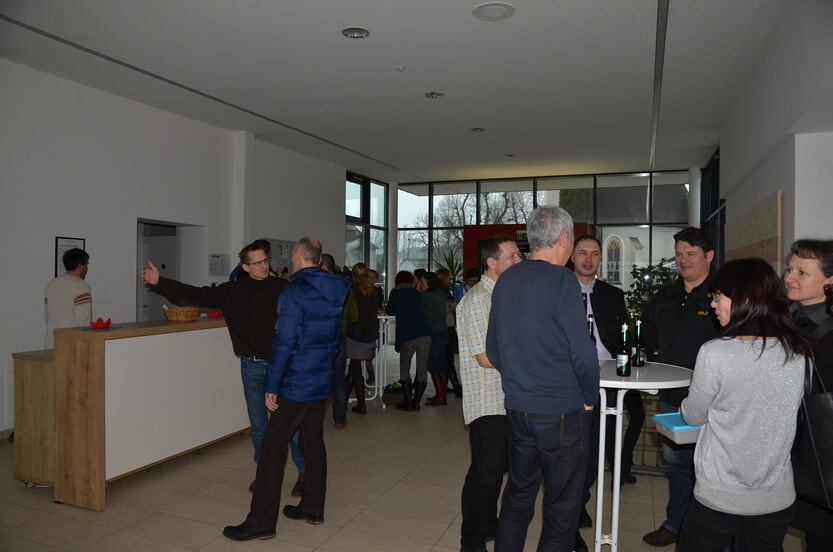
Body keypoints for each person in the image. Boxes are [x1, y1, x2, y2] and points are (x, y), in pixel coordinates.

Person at [141, 240, 304, 494]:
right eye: (257, 263)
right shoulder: (231, 292)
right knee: (258, 425)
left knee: (290, 426)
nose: (263, 266)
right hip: (251, 366)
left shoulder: (282, 288)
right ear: (245, 267)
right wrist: (159, 282)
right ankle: (264, 473)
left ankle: (304, 473)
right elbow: (194, 294)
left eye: (265, 260)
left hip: (282, 367)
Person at [677, 258, 811, 552]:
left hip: (718, 496)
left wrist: (684, 408)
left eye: (718, 296)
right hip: (775, 497)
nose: (713, 304)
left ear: (744, 299)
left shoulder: (715, 353)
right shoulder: (798, 351)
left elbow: (694, 415)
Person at [486, 206, 599, 551]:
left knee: (519, 494)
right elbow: (582, 351)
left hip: (518, 408)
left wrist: (521, 378)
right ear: (563, 238)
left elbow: (493, 349)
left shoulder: (506, 279)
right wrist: (589, 397)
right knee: (561, 506)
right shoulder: (562, 280)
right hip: (561, 411)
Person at [223, 237, 349, 541]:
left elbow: (284, 342)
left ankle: (261, 522)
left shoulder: (294, 292)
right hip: (320, 379)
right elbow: (332, 337)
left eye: (292, 253)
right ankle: (313, 507)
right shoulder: (336, 288)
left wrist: (272, 384)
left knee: (271, 447)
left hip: (297, 383)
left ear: (299, 256)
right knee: (312, 442)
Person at [641, 226, 719, 547]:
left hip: (715, 403)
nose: (683, 260)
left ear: (709, 256)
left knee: (710, 470)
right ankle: (675, 525)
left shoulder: (721, 298)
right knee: (677, 466)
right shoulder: (665, 296)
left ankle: (707, 534)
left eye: (691, 254)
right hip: (673, 399)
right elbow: (645, 336)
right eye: (678, 254)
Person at [571, 234, 641, 552]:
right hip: (572, 380)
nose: (589, 259)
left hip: (609, 381)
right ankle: (572, 511)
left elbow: (624, 337)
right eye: (582, 252)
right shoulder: (561, 290)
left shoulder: (613, 295)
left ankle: (579, 502)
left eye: (595, 253)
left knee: (599, 448)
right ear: (572, 257)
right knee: (576, 451)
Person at [457, 234, 521, 552]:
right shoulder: (479, 300)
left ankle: (488, 525)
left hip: (504, 398)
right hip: (486, 401)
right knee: (483, 474)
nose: (519, 261)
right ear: (491, 262)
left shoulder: (502, 296)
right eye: (512, 256)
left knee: (495, 471)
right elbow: (485, 357)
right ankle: (471, 542)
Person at [784, 239, 833, 552]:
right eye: (790, 269)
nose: (789, 277)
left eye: (802, 272)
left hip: (823, 457)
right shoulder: (786, 318)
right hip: (794, 453)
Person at [386, 271, 432, 411]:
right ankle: (416, 403)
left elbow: (390, 310)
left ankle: (408, 402)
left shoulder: (396, 292)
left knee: (404, 368)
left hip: (408, 335)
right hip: (425, 334)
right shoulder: (417, 292)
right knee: (422, 369)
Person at [343, 263, 379, 415]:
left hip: (355, 334)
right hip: (369, 334)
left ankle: (356, 405)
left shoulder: (352, 291)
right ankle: (353, 404)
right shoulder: (374, 291)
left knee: (355, 369)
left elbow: (348, 314)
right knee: (354, 368)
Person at [45, 248, 92, 348]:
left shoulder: (51, 284)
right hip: (72, 346)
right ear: (80, 265)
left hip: (51, 344)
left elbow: (47, 316)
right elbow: (84, 322)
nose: (87, 268)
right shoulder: (81, 285)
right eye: (86, 264)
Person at [423, 272, 451, 406]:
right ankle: (441, 394)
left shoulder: (426, 296)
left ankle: (441, 396)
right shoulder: (441, 294)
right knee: (442, 365)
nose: (421, 284)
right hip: (443, 332)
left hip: (433, 334)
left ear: (429, 283)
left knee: (432, 365)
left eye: (423, 282)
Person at [437, 267, 463, 397]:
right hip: (446, 327)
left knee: (448, 359)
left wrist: (451, 306)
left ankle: (447, 386)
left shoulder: (445, 291)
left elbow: (451, 306)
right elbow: (445, 308)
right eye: (448, 277)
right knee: (448, 359)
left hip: (449, 326)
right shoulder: (440, 292)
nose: (450, 279)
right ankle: (456, 387)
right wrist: (451, 306)